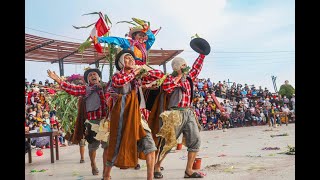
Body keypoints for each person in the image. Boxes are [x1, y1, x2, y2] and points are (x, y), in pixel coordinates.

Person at [153, 38, 210, 178]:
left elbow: (197, 67)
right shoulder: (170, 78)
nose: (187, 67)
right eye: (184, 65)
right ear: (178, 67)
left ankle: (189, 170)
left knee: (195, 140)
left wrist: (202, 54)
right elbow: (167, 87)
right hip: (175, 113)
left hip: (189, 112)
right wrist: (178, 76)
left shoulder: (189, 77)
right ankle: (156, 166)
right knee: (169, 142)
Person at [103, 49, 161, 180]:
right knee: (115, 147)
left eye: (132, 58)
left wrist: (144, 69)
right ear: (121, 62)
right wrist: (135, 72)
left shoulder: (137, 77)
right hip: (121, 118)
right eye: (127, 58)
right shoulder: (117, 76)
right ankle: (106, 175)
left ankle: (150, 178)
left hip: (138, 117)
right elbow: (121, 81)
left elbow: (158, 75)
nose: (132, 60)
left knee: (150, 147)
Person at [47, 68, 110, 177]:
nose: (93, 75)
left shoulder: (106, 87)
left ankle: (106, 173)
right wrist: (57, 79)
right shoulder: (85, 89)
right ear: (88, 79)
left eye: (95, 74)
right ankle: (93, 163)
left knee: (107, 147)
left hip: (105, 122)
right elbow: (71, 88)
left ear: (99, 77)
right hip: (92, 123)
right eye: (90, 75)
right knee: (93, 147)